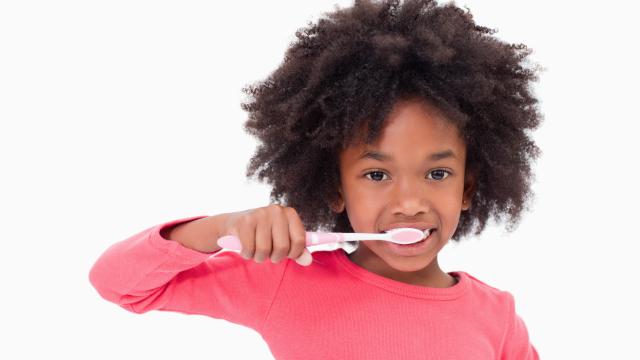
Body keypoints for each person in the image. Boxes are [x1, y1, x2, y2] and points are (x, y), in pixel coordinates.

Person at [89, 0, 542, 358]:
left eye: (437, 173)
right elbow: (118, 283)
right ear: (333, 187)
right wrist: (222, 228)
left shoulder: (496, 316)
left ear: (467, 188)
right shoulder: (287, 278)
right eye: (377, 173)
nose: (409, 202)